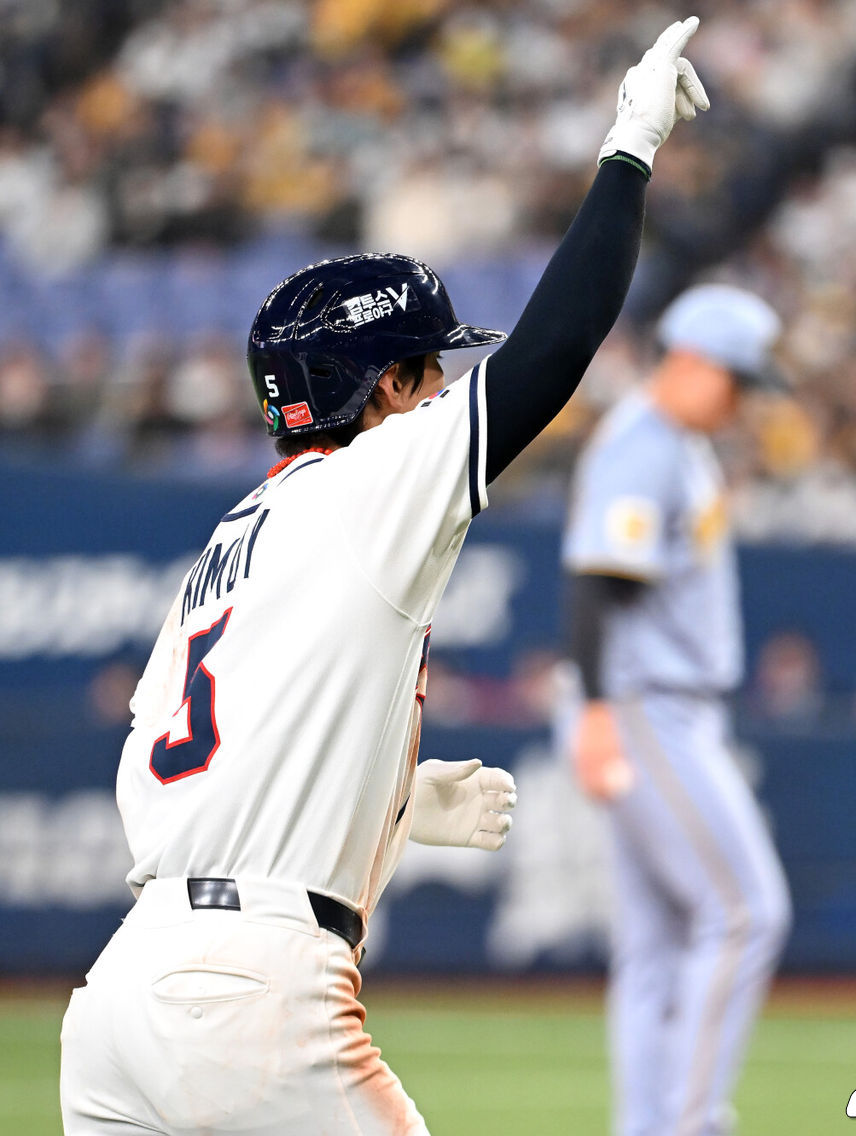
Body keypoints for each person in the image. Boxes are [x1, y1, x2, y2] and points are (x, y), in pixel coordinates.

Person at [59, 17, 710, 1136]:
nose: (432, 387)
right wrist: (629, 148)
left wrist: (393, 809)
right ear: (383, 382)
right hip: (253, 990)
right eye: (422, 367)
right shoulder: (371, 483)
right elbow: (552, 352)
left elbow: (182, 783)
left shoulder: (228, 541)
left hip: (119, 995)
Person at [563, 283, 793, 1136]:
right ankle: (689, 1122)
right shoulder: (647, 443)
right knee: (745, 912)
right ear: (692, 362)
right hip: (643, 706)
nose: (742, 400)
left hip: (650, 704)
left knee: (658, 947)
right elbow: (596, 580)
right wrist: (594, 713)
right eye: (735, 380)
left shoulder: (675, 443)